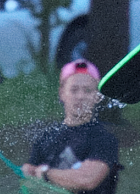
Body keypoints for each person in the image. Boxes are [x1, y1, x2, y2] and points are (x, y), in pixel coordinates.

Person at [22, 58, 120, 194]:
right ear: (62, 93)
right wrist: (28, 173)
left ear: (97, 96)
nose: (80, 96)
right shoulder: (46, 136)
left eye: (87, 90)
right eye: (74, 90)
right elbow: (28, 181)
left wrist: (46, 174)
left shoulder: (104, 139)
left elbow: (87, 179)